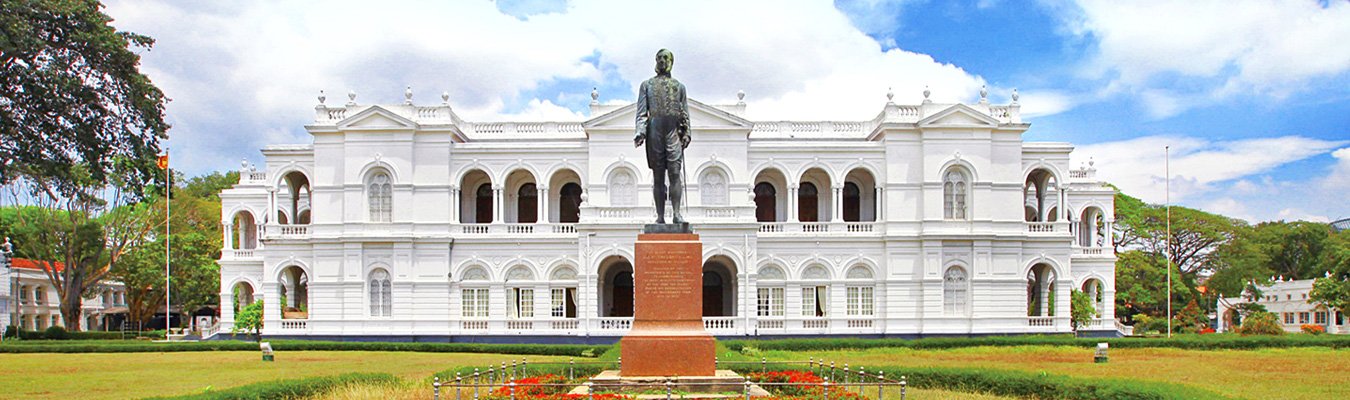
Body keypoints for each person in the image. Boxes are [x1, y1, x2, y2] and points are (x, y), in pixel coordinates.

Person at [633, 49, 691, 224]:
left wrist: (687, 132)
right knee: (658, 175)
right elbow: (642, 112)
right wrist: (640, 131)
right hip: (654, 132)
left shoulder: (679, 87)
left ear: (672, 61)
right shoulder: (647, 85)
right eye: (659, 58)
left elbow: (685, 112)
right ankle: (660, 217)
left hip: (673, 132)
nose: (662, 61)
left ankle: (676, 213)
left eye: (666, 58)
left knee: (675, 173)